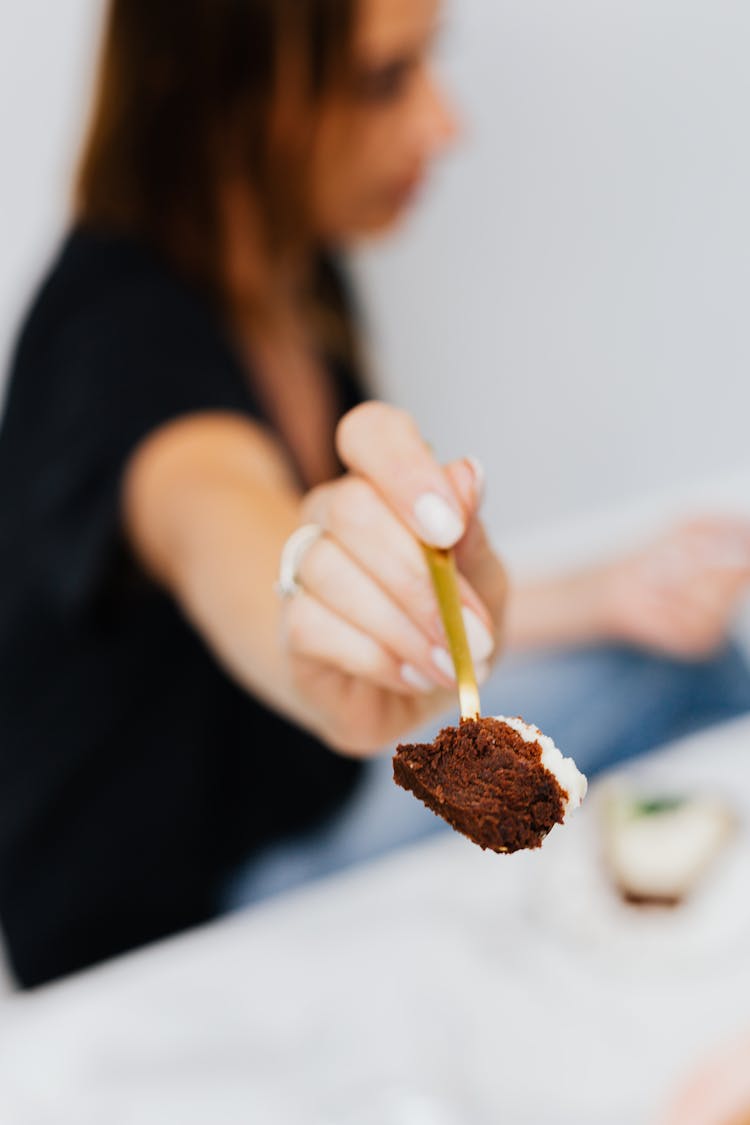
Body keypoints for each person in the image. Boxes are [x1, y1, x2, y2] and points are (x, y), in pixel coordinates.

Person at [1, 0, 750, 990]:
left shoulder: (294, 267)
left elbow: (379, 640)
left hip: (307, 777)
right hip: (186, 913)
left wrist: (604, 592)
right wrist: (297, 582)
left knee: (686, 654)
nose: (446, 124)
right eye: (383, 81)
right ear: (225, 90)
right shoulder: (115, 349)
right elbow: (212, 509)